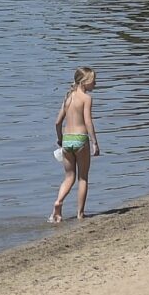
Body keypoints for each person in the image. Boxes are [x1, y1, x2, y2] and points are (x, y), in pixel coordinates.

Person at [51, 66, 99, 223]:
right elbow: (87, 121)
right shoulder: (86, 99)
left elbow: (57, 123)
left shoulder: (68, 97)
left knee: (68, 177)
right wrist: (94, 142)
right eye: (93, 81)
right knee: (83, 178)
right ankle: (80, 214)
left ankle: (58, 202)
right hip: (80, 139)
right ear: (84, 82)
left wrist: (60, 140)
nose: (95, 85)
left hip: (67, 140)